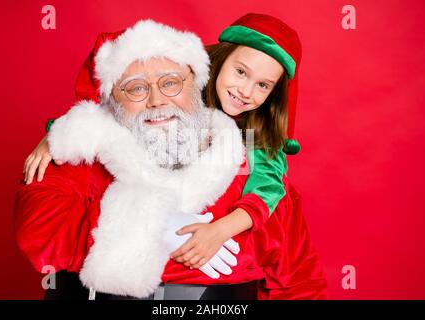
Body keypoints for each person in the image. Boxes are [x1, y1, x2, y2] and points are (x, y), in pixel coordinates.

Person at [20, 13, 328, 299]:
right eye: (136, 88)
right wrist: (153, 224)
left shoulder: (261, 175)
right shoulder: (85, 155)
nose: (157, 101)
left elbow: (299, 282)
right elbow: (37, 230)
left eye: (170, 83)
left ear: (192, 81)